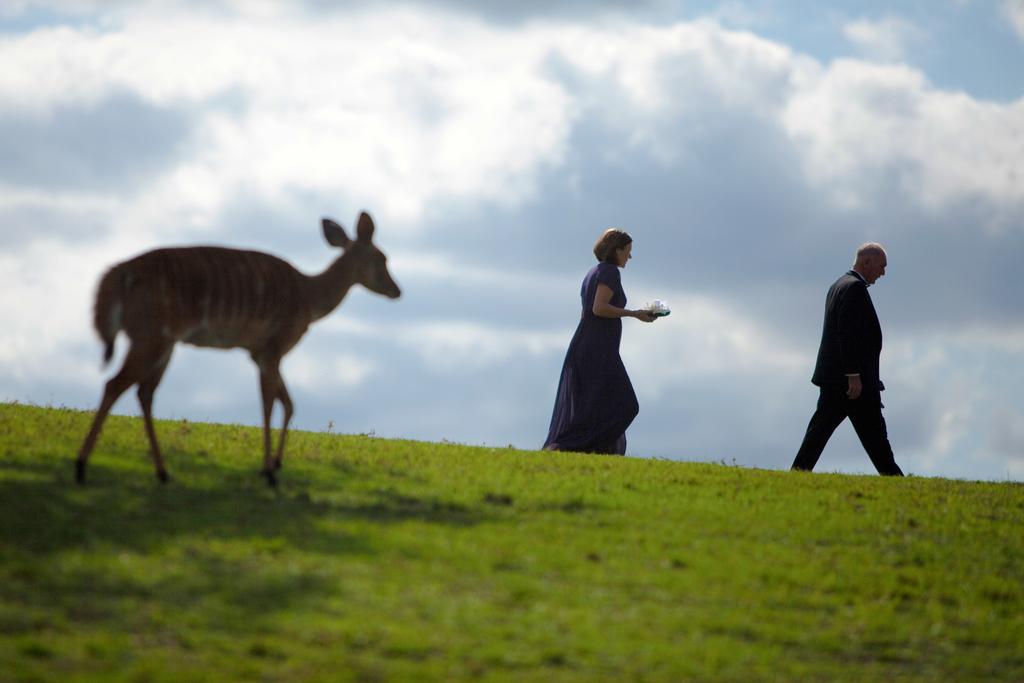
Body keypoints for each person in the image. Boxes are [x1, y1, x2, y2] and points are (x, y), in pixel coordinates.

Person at [791, 243, 904, 476]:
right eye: (881, 267)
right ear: (867, 262)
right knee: (875, 441)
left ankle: (798, 473)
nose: (883, 273)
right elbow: (848, 334)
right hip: (852, 384)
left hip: (836, 380)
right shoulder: (854, 289)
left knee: (819, 433)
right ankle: (896, 480)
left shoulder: (838, 285)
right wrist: (853, 376)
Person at [543, 228, 657, 455]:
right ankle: (567, 446)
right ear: (616, 250)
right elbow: (599, 308)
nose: (630, 257)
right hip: (597, 350)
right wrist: (635, 313)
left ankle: (584, 450)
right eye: (627, 251)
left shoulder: (593, 272)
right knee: (626, 405)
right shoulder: (610, 272)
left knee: (597, 406)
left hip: (590, 345)